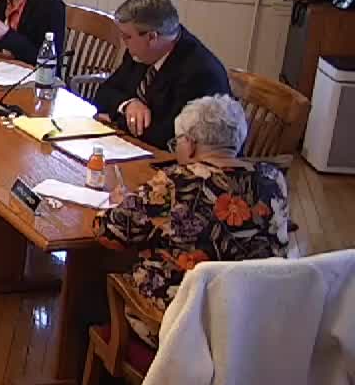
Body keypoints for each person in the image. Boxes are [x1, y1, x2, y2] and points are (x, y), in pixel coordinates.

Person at [94, 94, 292, 345]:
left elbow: (107, 231)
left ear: (190, 144)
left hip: (183, 325)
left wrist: (118, 203)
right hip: (251, 321)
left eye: (177, 141)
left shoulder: (175, 182)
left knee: (98, 289)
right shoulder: (272, 179)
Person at [94, 0, 231, 150]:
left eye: (127, 37)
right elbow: (104, 93)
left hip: (184, 157)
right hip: (139, 147)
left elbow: (168, 135)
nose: (123, 42)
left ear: (152, 37)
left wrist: (116, 121)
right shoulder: (141, 52)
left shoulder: (199, 73)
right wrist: (129, 104)